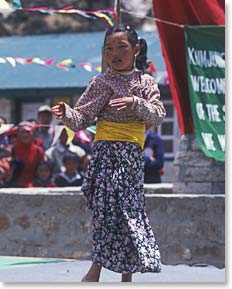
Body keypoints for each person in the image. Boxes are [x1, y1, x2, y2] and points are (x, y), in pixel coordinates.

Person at [52, 24, 166, 283]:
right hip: (105, 156)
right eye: (109, 48)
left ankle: (127, 276)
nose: (115, 53)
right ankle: (96, 270)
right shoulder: (100, 82)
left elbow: (158, 115)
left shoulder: (145, 83)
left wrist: (135, 103)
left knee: (128, 212)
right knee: (105, 211)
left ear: (135, 49)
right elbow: (81, 118)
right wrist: (66, 113)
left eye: (122, 47)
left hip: (131, 158)